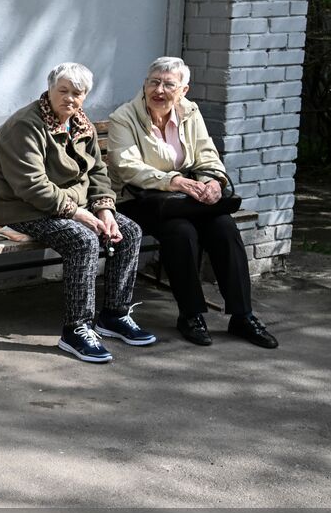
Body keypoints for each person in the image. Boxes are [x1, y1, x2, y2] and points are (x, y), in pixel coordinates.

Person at [0, 63, 156, 363]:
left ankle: (115, 314)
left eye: (77, 93)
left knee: (128, 231)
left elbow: (99, 173)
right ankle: (76, 328)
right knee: (83, 240)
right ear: (50, 89)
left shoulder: (81, 124)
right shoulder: (26, 126)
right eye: (62, 91)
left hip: (70, 207)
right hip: (22, 208)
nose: (69, 98)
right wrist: (77, 212)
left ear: (85, 96)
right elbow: (31, 186)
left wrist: (104, 208)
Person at [106, 56, 278, 348]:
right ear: (145, 85)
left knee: (223, 225)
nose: (159, 90)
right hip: (138, 200)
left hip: (184, 199)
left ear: (183, 90)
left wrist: (213, 181)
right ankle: (191, 314)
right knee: (181, 232)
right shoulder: (124, 117)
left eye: (168, 84)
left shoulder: (189, 112)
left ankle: (242, 315)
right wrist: (175, 181)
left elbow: (207, 154)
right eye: (153, 82)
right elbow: (126, 167)